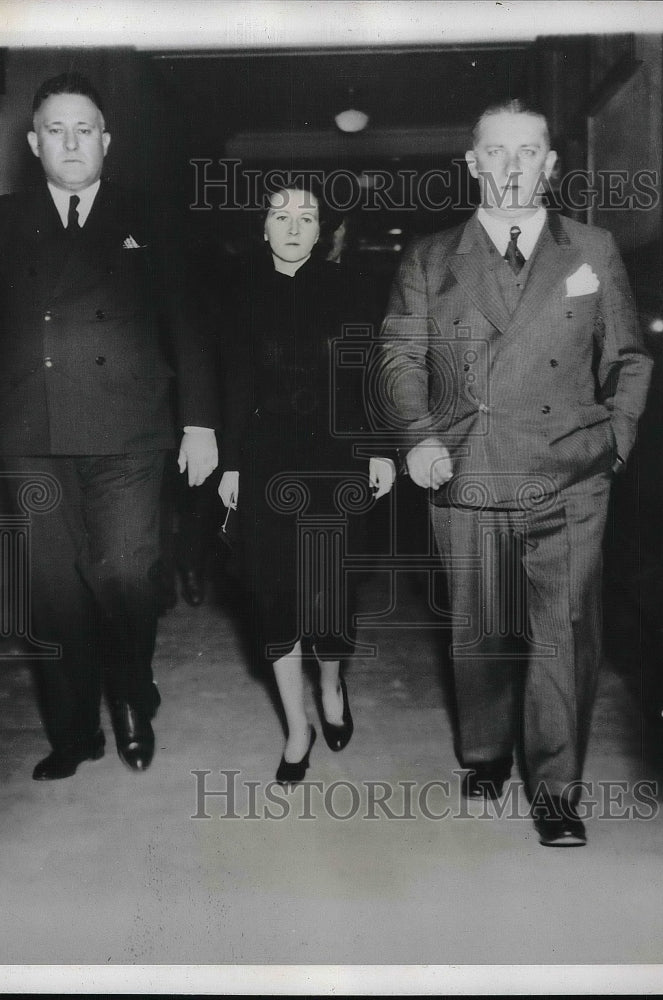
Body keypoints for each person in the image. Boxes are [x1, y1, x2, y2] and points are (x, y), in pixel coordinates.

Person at [375, 100, 652, 845]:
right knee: (482, 629)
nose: (510, 167)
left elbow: (629, 358)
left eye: (526, 152)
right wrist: (416, 440)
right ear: (472, 163)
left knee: (565, 634)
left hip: (572, 474)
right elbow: (400, 359)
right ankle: (486, 749)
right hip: (467, 471)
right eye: (495, 153)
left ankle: (557, 790)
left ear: (549, 165)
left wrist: (615, 442)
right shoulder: (431, 260)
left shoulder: (592, 249)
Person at [0, 73, 218, 780]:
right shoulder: (0, 217)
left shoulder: (149, 214)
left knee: (126, 573)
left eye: (84, 128)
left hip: (130, 429)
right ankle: (74, 731)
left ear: (107, 139)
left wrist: (201, 423)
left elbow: (188, 321)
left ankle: (130, 689)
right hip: (31, 431)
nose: (71, 143)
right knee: (55, 592)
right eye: (56, 130)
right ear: (34, 142)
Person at [218, 181, 394, 784]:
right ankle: (298, 729)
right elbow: (233, 387)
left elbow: (369, 373)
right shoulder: (236, 292)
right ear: (262, 227)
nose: (294, 226)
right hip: (266, 462)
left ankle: (331, 683)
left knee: (332, 594)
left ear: (322, 232)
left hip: (337, 461)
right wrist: (234, 466)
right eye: (280, 215)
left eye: (307, 217)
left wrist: (377, 450)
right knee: (274, 598)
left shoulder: (352, 289)